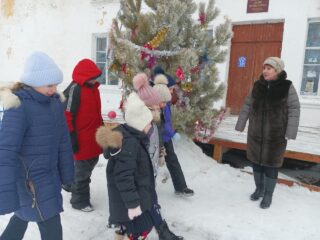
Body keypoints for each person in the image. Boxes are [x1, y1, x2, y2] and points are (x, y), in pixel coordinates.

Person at [0, 51, 74, 240]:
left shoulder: (55, 104)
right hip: (29, 183)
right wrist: (5, 193)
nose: (54, 89)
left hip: (49, 178)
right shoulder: (18, 107)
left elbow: (63, 142)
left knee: (21, 218)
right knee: (51, 227)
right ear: (32, 82)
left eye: (56, 84)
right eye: (49, 85)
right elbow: (6, 152)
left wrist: (67, 174)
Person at [235, 57, 300, 209]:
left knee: (271, 166)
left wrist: (290, 131)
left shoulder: (287, 87)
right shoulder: (258, 85)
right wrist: (241, 124)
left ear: (277, 70)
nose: (265, 71)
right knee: (256, 163)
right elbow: (247, 104)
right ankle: (259, 189)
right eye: (264, 68)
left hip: (276, 136)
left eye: (269, 68)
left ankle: (268, 194)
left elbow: (294, 109)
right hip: (256, 134)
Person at [95, 93, 155, 240]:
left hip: (129, 197)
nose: (151, 126)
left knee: (124, 227)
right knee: (135, 229)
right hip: (129, 201)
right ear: (139, 124)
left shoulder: (132, 137)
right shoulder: (130, 144)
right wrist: (133, 205)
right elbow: (123, 177)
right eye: (149, 123)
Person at [133, 73, 184, 240]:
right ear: (148, 106)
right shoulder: (139, 125)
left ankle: (159, 230)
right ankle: (160, 230)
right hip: (139, 172)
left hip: (150, 168)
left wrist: (160, 152)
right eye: (159, 103)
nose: (163, 106)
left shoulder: (155, 120)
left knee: (150, 198)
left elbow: (157, 138)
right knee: (146, 201)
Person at [63, 59, 103, 212]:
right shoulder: (75, 89)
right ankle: (79, 201)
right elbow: (67, 114)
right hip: (80, 139)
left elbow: (97, 113)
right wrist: (71, 136)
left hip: (93, 138)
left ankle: (69, 183)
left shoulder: (94, 89)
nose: (95, 80)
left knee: (91, 162)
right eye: (92, 76)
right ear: (84, 76)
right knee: (82, 172)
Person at [153, 73, 194, 197]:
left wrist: (171, 132)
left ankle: (181, 187)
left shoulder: (167, 102)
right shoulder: (156, 104)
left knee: (173, 160)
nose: (172, 91)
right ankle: (148, 191)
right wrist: (172, 133)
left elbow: (168, 122)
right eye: (171, 89)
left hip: (165, 137)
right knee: (152, 164)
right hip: (156, 139)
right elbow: (161, 123)